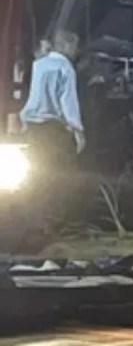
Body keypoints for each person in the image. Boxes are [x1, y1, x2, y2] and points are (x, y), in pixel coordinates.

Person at [18, 31, 85, 225]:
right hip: (53, 129)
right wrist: (78, 130)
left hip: (31, 127)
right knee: (56, 177)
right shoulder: (65, 68)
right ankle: (53, 221)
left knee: (35, 175)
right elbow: (68, 102)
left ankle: (32, 220)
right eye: (74, 46)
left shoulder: (38, 64)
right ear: (65, 46)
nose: (76, 51)